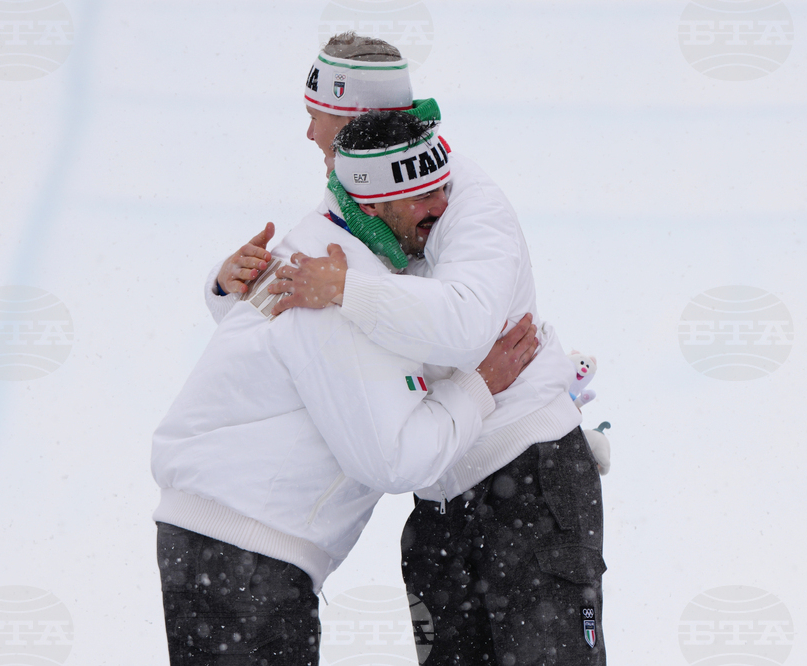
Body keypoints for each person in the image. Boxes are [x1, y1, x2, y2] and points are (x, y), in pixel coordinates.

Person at [209, 34, 607, 666]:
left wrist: (345, 291)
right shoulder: (353, 200)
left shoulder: (460, 196)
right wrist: (230, 291)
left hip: (527, 475)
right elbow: (291, 310)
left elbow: (467, 326)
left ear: (359, 121)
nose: (309, 133)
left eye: (320, 115)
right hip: (441, 505)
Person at [151, 113, 540, 664]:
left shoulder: (315, 252)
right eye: (419, 196)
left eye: (443, 186)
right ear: (374, 207)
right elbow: (396, 460)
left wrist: (221, 288)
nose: (441, 206)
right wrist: (482, 387)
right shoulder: (334, 287)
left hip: (214, 546)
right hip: (249, 559)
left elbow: (261, 350)